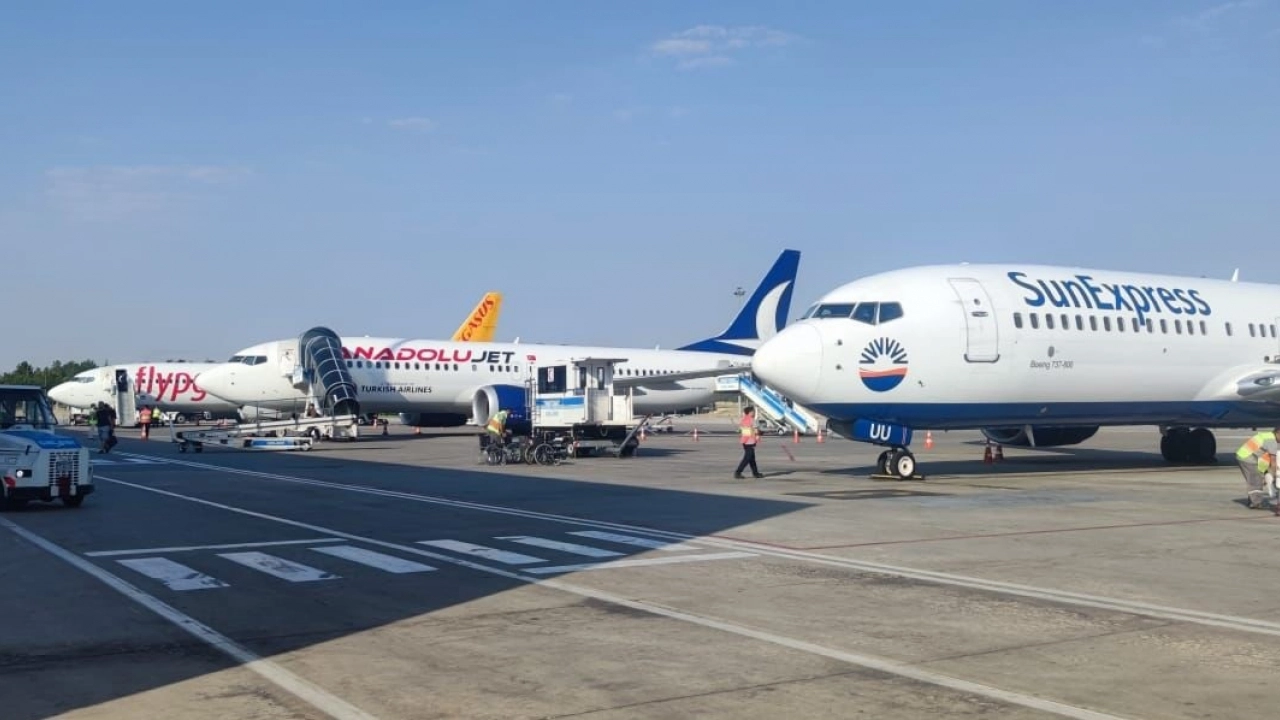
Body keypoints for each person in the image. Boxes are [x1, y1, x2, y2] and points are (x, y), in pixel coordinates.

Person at [1235, 427, 1280, 509]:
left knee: (1256, 478)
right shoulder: (1272, 441)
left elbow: (1266, 459)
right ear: (1278, 433)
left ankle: (1252, 500)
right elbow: (1273, 462)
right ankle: (1255, 503)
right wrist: (1274, 476)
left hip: (1245, 455)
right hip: (1247, 458)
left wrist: (1266, 473)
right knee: (1256, 481)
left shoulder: (1267, 435)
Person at [734, 406, 764, 479]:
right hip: (750, 441)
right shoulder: (752, 420)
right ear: (750, 412)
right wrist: (760, 433)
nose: (754, 413)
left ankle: (755, 473)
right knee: (747, 458)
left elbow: (741, 430)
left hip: (744, 441)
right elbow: (756, 430)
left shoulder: (743, 420)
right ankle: (738, 472)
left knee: (751, 458)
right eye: (753, 411)